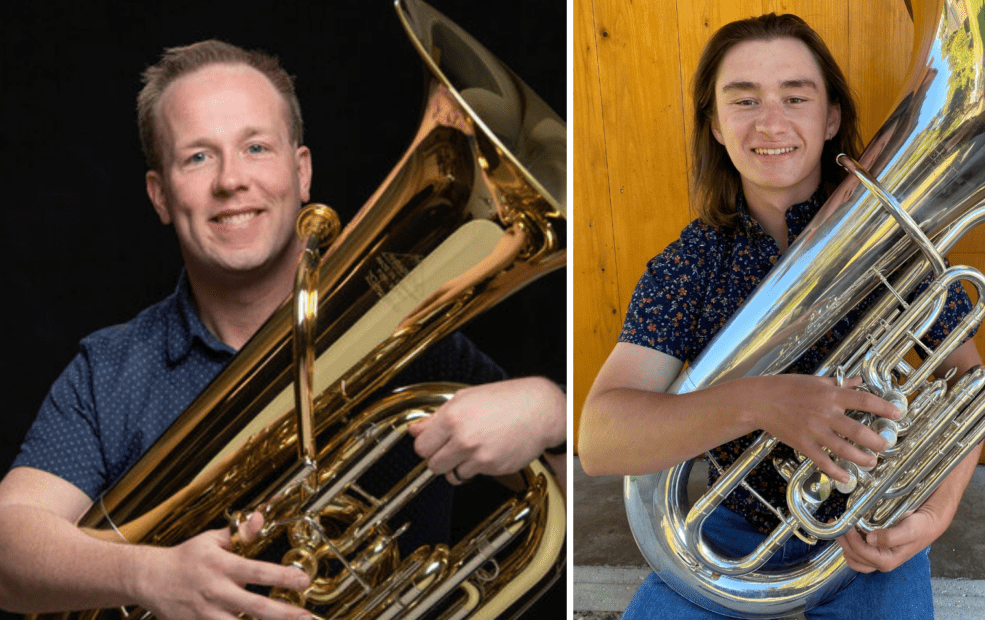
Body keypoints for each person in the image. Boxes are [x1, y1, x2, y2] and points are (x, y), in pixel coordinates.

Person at [0, 39, 565, 620]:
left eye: (256, 147)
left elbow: (599, 509)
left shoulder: (417, 343)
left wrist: (554, 414)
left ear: (301, 173)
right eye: (197, 157)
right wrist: (148, 574)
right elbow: (7, 548)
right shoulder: (112, 370)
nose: (231, 181)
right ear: (160, 195)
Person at [577, 13, 983, 620]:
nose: (771, 123)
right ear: (714, 125)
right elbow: (600, 441)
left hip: (867, 525)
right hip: (732, 535)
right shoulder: (687, 266)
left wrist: (936, 511)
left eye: (796, 97)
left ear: (831, 118)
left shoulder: (896, 239)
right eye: (744, 101)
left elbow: (968, 383)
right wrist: (759, 402)